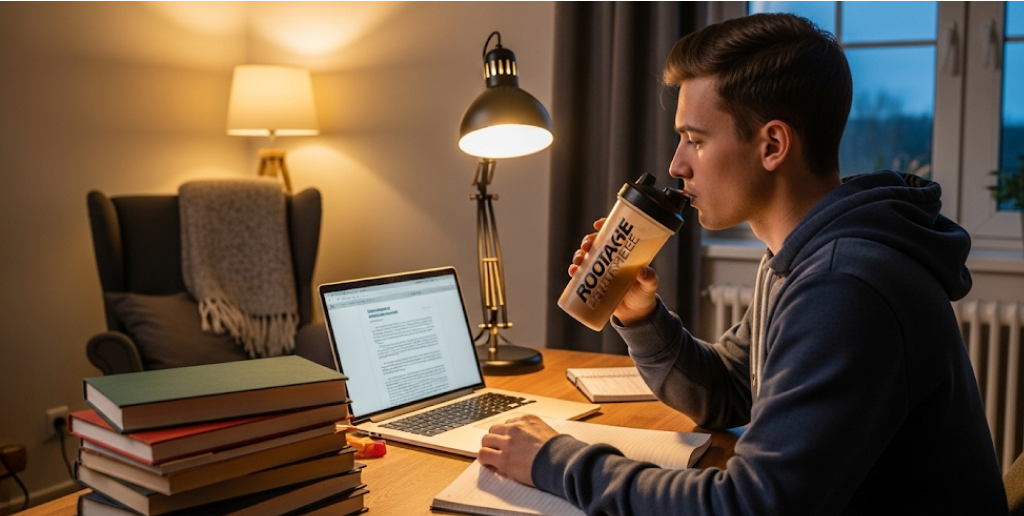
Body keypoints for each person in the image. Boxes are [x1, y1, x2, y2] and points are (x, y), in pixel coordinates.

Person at [478, 12, 1009, 515]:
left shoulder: (845, 283)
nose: (676, 165)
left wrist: (556, 461)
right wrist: (642, 317)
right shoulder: (803, 255)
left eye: (695, 139)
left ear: (773, 144)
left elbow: (753, 506)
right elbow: (731, 393)